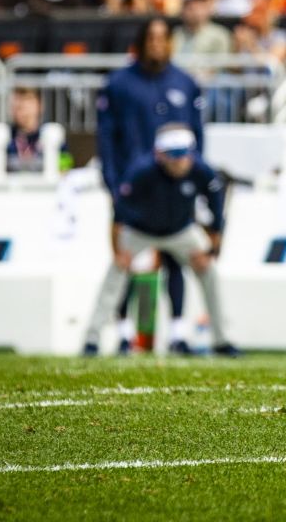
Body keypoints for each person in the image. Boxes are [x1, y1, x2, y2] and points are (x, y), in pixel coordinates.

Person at [97, 18, 206, 354]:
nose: (157, 44)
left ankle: (177, 333)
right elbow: (106, 139)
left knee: (175, 257)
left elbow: (198, 138)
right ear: (141, 42)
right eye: (152, 38)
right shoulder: (119, 84)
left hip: (174, 187)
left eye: (163, 38)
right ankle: (126, 333)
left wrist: (193, 179)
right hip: (133, 189)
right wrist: (113, 184)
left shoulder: (185, 83)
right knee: (128, 257)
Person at [83, 126, 239, 357]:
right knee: (115, 273)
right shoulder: (141, 171)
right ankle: (91, 340)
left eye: (184, 153)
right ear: (160, 154)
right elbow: (118, 213)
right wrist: (118, 251)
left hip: (180, 231)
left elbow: (217, 210)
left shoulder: (201, 170)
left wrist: (211, 251)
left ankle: (221, 340)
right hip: (140, 230)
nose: (180, 161)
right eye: (174, 154)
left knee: (210, 273)